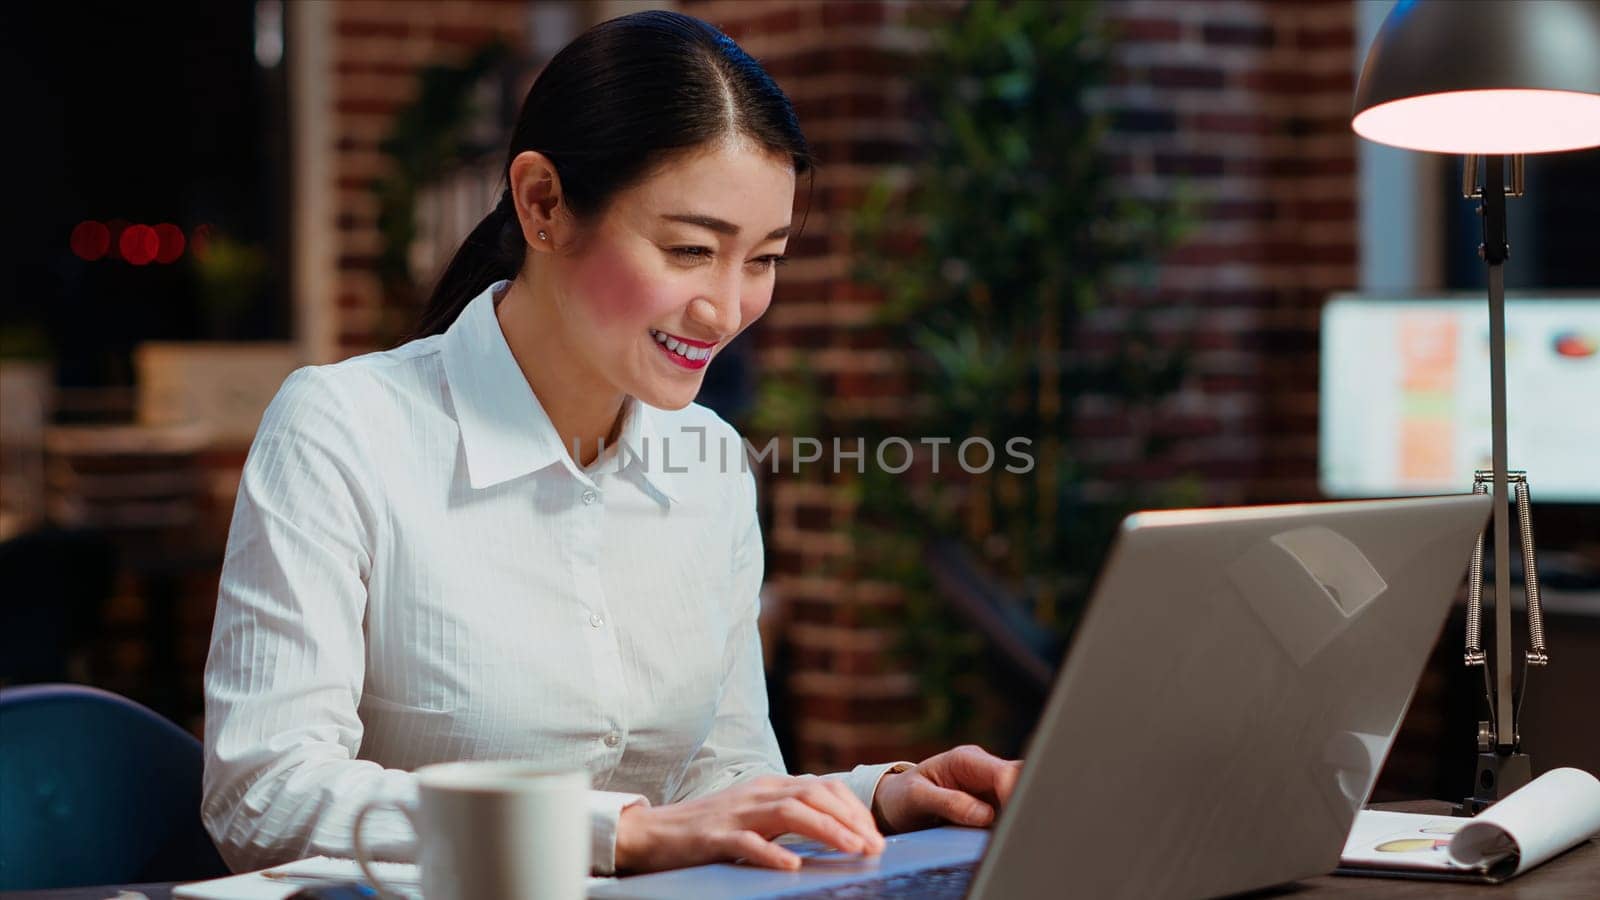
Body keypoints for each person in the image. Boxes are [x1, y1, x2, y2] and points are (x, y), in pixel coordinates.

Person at [201, 10, 1020, 877]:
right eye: (691, 249)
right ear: (543, 204)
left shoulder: (708, 462)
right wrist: (619, 832)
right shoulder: (344, 429)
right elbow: (263, 794)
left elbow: (724, 779)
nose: (727, 307)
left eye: (764, 258)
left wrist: (877, 797)